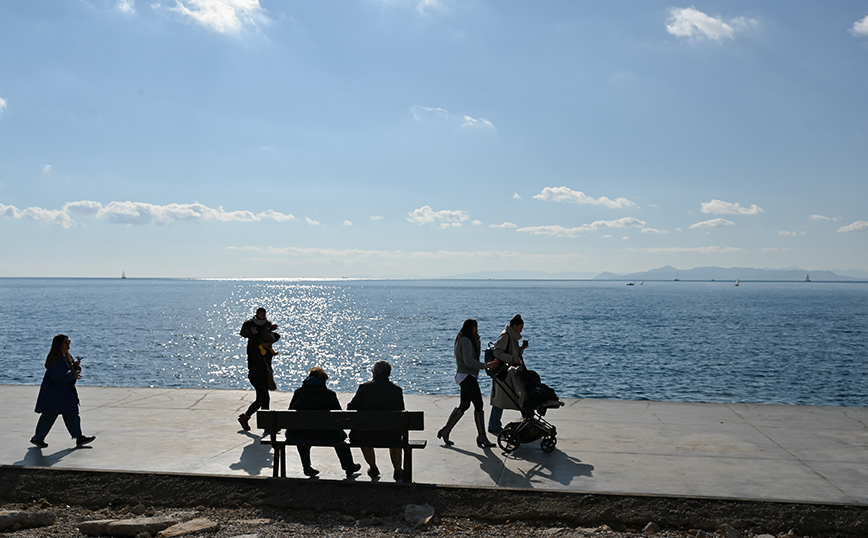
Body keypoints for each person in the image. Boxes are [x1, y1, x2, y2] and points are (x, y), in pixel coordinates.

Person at [286, 367, 362, 478]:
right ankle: (348, 466)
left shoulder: (298, 393)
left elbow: (290, 413)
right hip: (326, 435)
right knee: (340, 436)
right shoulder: (329, 394)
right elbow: (339, 417)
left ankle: (306, 466)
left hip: (298, 434)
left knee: (301, 433)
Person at [437, 319, 495, 448]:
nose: (477, 330)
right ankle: (482, 437)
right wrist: (485, 365)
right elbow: (469, 361)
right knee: (478, 404)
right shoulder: (466, 341)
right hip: (467, 375)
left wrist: (477, 341)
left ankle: (446, 431)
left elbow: (473, 356)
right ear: (471, 328)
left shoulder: (464, 339)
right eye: (475, 328)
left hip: (465, 375)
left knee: (464, 405)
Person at [31, 334, 96, 448]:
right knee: (49, 416)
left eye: (69, 341)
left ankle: (79, 437)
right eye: (66, 342)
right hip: (54, 394)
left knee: (72, 414)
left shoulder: (66, 357)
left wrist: (75, 368)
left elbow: (67, 373)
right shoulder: (55, 360)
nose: (68, 343)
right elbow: (58, 376)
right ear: (59, 344)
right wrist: (72, 374)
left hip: (66, 393)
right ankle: (37, 438)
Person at [347, 360, 405, 481]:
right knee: (396, 437)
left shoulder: (364, 388)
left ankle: (373, 467)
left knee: (362, 436)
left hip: (366, 434)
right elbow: (401, 410)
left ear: (376, 373)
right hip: (391, 435)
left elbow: (351, 408)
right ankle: (398, 470)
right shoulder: (396, 390)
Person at [237, 307, 279, 431]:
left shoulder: (268, 350)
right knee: (263, 398)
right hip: (255, 374)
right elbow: (251, 340)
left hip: (264, 373)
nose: (269, 345)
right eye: (267, 343)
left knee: (263, 399)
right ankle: (261, 423)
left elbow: (276, 337)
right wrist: (255, 335)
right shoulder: (254, 347)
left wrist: (269, 330)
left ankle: (248, 418)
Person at [488, 313, 529, 434]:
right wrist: (512, 358)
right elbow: (497, 352)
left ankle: (495, 425)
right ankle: (527, 420)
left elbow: (511, 352)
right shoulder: (506, 336)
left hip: (508, 373)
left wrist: (521, 349)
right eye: (521, 327)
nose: (521, 330)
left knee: (503, 400)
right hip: (504, 374)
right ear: (515, 326)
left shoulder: (512, 336)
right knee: (516, 397)